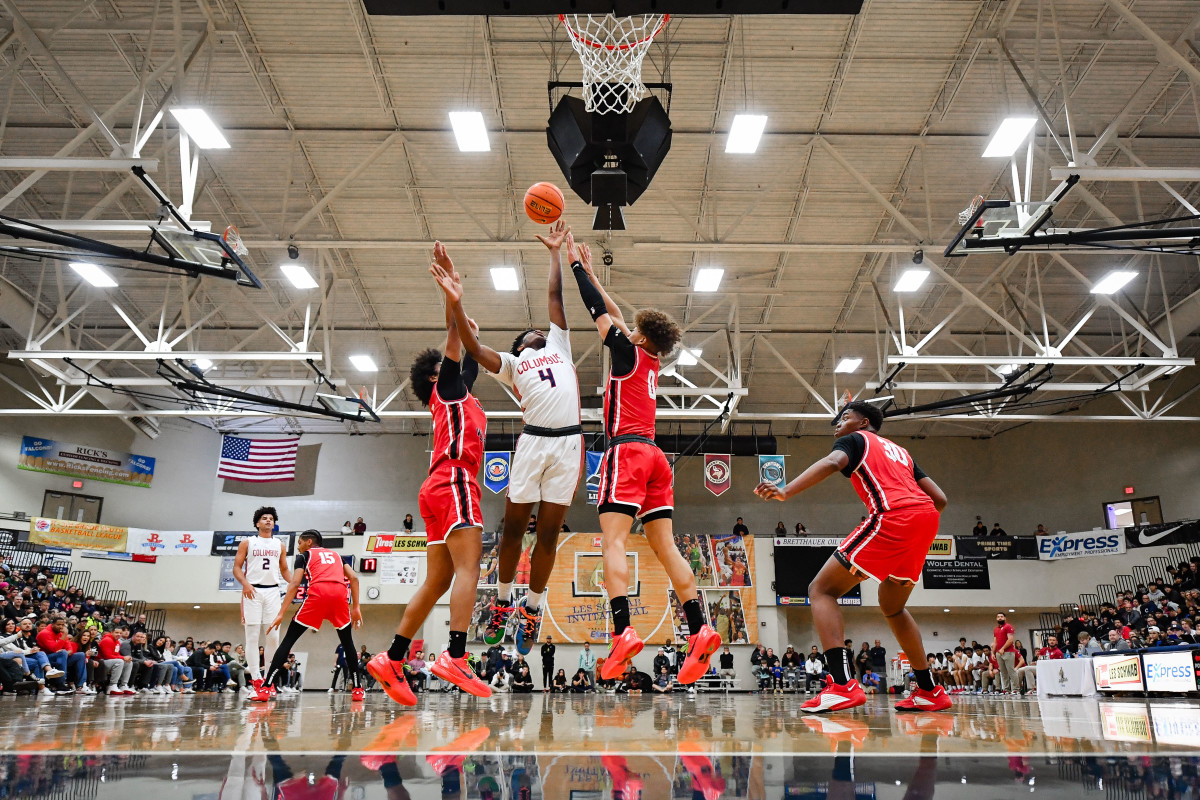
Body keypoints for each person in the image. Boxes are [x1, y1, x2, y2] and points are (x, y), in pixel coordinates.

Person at [568, 235, 720, 685]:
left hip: (628, 451)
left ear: (638, 336)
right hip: (657, 458)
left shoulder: (625, 351)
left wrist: (577, 268)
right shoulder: (649, 360)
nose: (624, 326)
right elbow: (616, 314)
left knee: (613, 542)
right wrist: (595, 272)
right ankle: (699, 627)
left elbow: (599, 312)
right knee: (666, 546)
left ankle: (622, 631)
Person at [755, 400, 951, 713]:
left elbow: (833, 463)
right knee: (893, 606)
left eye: (845, 417)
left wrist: (786, 490)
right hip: (926, 519)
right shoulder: (901, 452)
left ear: (863, 423)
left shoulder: (856, 440)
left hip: (893, 515)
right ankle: (930, 690)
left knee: (821, 590)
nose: (838, 424)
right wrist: (916, 525)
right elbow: (939, 499)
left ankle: (843, 685)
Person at [367, 243, 491, 705]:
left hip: (436, 487)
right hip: (455, 481)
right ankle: (455, 656)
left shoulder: (462, 396)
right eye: (451, 363)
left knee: (437, 581)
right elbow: (455, 342)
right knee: (469, 568)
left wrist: (466, 322)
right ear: (440, 374)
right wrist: (454, 301)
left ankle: (392, 657)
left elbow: (469, 352)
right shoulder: (448, 386)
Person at [456, 222, 584, 657]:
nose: (539, 330)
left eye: (541, 329)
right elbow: (474, 348)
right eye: (532, 332)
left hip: (567, 444)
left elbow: (555, 298)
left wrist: (554, 254)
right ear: (522, 344)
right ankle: (503, 600)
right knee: (512, 532)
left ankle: (532, 608)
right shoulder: (512, 363)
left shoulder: (561, 345)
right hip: (532, 443)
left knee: (548, 537)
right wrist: (455, 304)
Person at [252, 530, 364, 702]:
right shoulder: (337, 556)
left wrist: (281, 612)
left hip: (319, 593)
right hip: (340, 596)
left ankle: (265, 688)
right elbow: (354, 578)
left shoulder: (304, 556)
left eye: (300, 542)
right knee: (348, 643)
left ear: (309, 542)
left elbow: (295, 583)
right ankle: (357, 690)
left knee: (288, 641)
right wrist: (356, 607)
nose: (298, 546)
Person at [232, 506, 292, 691]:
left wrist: (294, 582)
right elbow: (236, 567)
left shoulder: (279, 545)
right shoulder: (248, 542)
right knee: (252, 636)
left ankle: (268, 678)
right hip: (253, 592)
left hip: (273, 591)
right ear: (257, 523)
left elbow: (283, 569)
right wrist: (246, 584)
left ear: (274, 524)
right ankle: (256, 678)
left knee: (273, 637)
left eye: (271, 518)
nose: (268, 520)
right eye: (264, 518)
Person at [993, 612, 1018, 694]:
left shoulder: (1008, 626)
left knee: (1011, 671)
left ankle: (1016, 689)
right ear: (996, 619)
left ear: (1005, 618)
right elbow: (995, 642)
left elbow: (1010, 639)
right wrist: (993, 653)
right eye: (998, 617)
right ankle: (1006, 689)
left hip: (1008, 652)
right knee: (1003, 672)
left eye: (1001, 616)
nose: (1000, 618)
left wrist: (1003, 648)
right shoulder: (995, 629)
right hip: (998, 653)